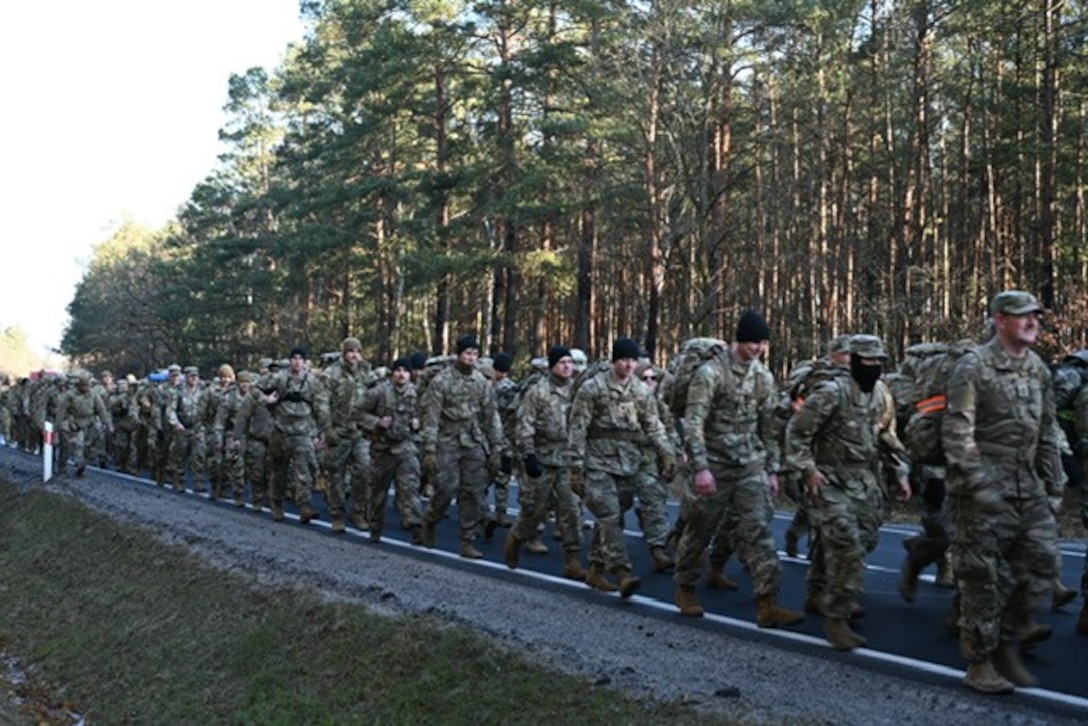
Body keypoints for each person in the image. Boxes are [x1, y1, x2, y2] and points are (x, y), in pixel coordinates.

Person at [941, 291, 1064, 693]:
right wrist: (978, 485)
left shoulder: (1038, 370)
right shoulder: (972, 367)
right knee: (981, 579)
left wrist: (1054, 482)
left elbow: (1047, 430)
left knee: (1042, 561)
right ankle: (979, 663)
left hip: (1025, 486)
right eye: (1022, 316)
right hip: (979, 492)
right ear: (999, 320)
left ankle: (1011, 631)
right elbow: (957, 434)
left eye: (1035, 316)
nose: (1032, 322)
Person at [672, 312, 804, 627]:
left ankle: (768, 602)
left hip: (750, 464)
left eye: (762, 343)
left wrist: (772, 470)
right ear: (738, 340)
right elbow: (693, 423)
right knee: (700, 528)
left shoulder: (763, 377)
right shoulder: (711, 373)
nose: (757, 348)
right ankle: (685, 588)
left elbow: (768, 427)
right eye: (751, 342)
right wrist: (700, 467)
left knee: (758, 528)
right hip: (714, 465)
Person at [787, 334, 911, 649]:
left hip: (865, 482)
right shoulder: (831, 394)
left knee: (864, 541)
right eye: (869, 361)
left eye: (880, 362)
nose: (876, 367)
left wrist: (901, 472)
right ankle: (837, 617)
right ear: (855, 362)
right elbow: (797, 434)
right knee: (847, 547)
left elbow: (885, 437)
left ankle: (817, 593)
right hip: (830, 483)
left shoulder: (878, 395)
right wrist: (808, 471)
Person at [567, 337, 677, 598]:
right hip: (597, 462)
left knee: (612, 519)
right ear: (614, 360)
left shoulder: (640, 391)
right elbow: (578, 427)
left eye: (632, 360)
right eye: (624, 360)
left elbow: (653, 425)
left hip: (628, 463)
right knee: (609, 515)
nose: (628, 365)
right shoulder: (593, 388)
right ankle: (622, 572)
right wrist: (575, 465)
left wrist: (667, 453)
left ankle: (595, 568)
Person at [419, 334, 508, 559]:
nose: (471, 357)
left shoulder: (481, 382)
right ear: (459, 354)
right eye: (467, 353)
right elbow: (431, 416)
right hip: (447, 440)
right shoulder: (442, 381)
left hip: (472, 441)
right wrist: (429, 449)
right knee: (447, 487)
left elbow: (491, 416)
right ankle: (430, 520)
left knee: (472, 491)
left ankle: (467, 540)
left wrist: (497, 447)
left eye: (475, 354)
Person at [505, 345, 586, 580]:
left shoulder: (577, 392)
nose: (567, 366)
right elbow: (524, 425)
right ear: (552, 366)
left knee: (571, 511)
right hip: (541, 459)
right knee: (534, 511)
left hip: (566, 460)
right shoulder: (537, 391)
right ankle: (516, 539)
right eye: (562, 362)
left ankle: (572, 560)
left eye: (570, 362)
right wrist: (528, 455)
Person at [358, 357, 425, 543]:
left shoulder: (417, 394)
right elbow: (358, 412)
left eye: (405, 371)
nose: (401, 374)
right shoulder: (379, 392)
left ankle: (415, 525)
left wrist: (419, 423)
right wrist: (377, 422)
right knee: (378, 493)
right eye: (398, 370)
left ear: (410, 374)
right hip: (382, 450)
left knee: (409, 487)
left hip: (406, 447)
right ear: (392, 373)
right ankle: (375, 527)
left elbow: (429, 415)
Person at [261, 347, 329, 523]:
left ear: (305, 362)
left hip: (302, 432)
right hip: (281, 431)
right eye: (294, 358)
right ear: (290, 360)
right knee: (279, 472)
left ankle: (305, 506)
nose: (297, 361)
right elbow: (256, 388)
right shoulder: (279, 377)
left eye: (300, 358)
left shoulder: (312, 382)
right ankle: (276, 505)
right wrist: (266, 400)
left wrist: (323, 431)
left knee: (304, 471)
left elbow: (320, 407)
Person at [317, 337, 377, 533]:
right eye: (351, 351)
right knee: (336, 474)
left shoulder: (366, 372)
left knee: (365, 470)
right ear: (343, 353)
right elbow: (322, 404)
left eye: (358, 351)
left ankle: (358, 511)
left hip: (360, 432)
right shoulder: (331, 374)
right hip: (339, 431)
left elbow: (377, 395)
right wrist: (327, 430)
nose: (355, 355)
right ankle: (337, 514)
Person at [54, 371, 113, 477]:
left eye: (88, 386)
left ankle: (83, 463)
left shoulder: (94, 394)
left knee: (94, 444)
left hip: (90, 422)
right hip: (74, 422)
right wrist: (58, 426)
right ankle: (63, 468)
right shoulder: (70, 395)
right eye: (84, 386)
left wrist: (108, 424)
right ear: (79, 386)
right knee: (74, 446)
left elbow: (101, 410)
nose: (86, 388)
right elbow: (61, 411)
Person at [165, 366, 213, 492]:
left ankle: (199, 483)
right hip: (183, 428)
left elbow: (209, 409)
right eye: (191, 376)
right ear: (185, 377)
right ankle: (179, 482)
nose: (194, 378)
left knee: (199, 456)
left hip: (198, 428)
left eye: (196, 376)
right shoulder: (177, 391)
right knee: (181, 457)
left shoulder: (203, 391)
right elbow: (171, 410)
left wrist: (205, 426)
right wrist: (176, 423)